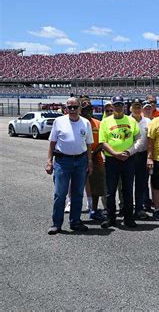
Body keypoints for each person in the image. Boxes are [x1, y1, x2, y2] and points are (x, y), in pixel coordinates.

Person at [45, 97, 93, 234]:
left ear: (79, 108)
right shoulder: (58, 121)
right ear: (66, 108)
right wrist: (49, 161)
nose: (72, 110)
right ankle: (56, 224)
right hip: (62, 161)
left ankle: (75, 222)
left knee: (78, 193)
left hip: (81, 161)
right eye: (69, 107)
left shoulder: (85, 123)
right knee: (60, 194)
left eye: (75, 107)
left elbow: (89, 144)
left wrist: (90, 162)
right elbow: (52, 143)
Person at [99, 96, 141, 229]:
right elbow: (103, 142)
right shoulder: (106, 122)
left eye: (120, 105)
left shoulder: (131, 120)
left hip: (128, 159)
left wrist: (129, 152)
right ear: (112, 106)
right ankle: (111, 218)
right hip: (112, 160)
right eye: (116, 105)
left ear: (124, 106)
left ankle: (128, 218)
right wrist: (115, 153)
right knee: (110, 191)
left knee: (127, 190)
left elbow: (138, 139)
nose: (118, 107)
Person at [80, 97, 107, 222]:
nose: (89, 111)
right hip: (79, 158)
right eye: (86, 109)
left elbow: (102, 141)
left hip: (96, 158)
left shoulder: (98, 123)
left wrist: (94, 152)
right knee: (77, 187)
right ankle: (76, 213)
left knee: (96, 187)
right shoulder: (77, 122)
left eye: (91, 108)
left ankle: (94, 210)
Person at [129, 98, 151, 220]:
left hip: (142, 155)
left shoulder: (148, 121)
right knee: (127, 185)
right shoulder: (126, 120)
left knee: (141, 184)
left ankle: (139, 209)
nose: (137, 109)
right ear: (131, 108)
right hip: (129, 156)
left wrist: (149, 157)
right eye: (135, 106)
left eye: (139, 106)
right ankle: (127, 208)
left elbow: (150, 140)